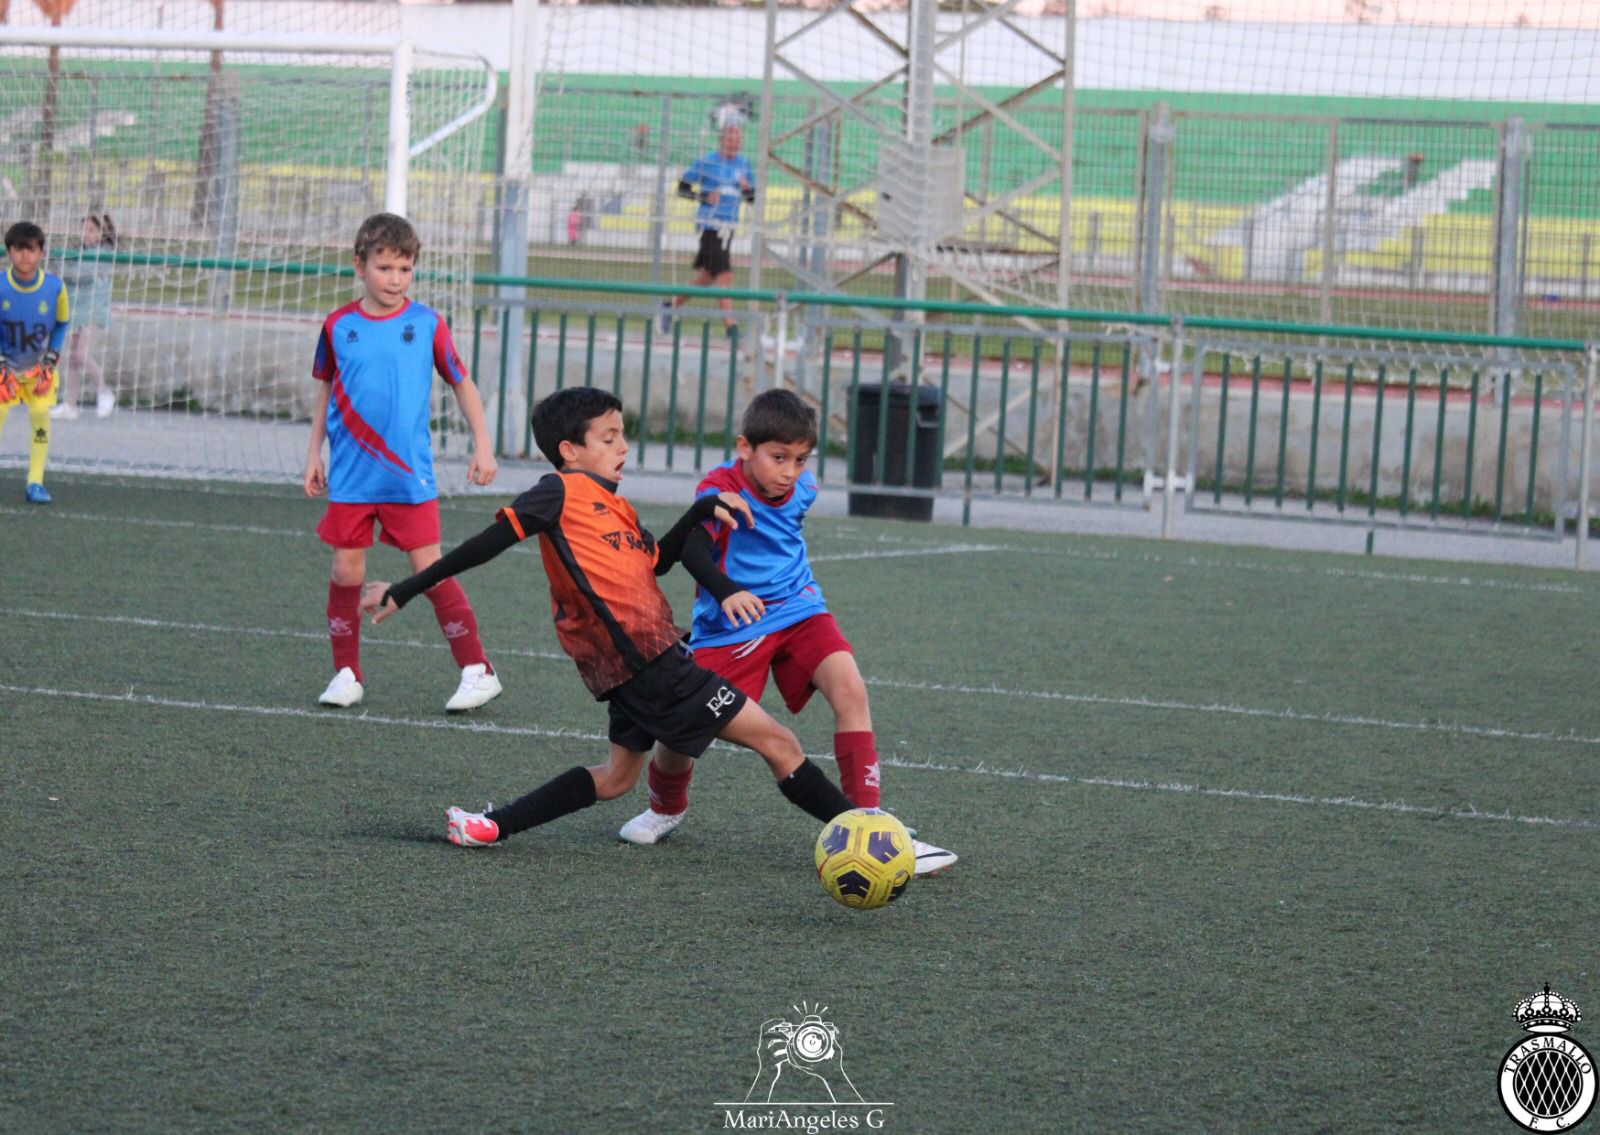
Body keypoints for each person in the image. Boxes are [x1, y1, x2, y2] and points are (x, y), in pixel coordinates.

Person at [360, 386, 858, 849]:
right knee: (780, 744)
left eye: (622, 435)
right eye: (609, 437)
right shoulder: (558, 492)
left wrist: (701, 510)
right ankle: (864, 833)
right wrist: (405, 589)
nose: (623, 446)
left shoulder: (617, 506)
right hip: (652, 666)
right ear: (569, 450)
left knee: (616, 778)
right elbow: (484, 546)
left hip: (636, 668)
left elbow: (658, 562)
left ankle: (490, 826)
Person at [616, 389, 958, 877]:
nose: (790, 472)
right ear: (744, 447)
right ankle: (665, 807)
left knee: (850, 689)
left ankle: (871, 823)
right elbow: (692, 550)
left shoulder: (804, 488)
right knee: (681, 730)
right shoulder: (721, 488)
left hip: (800, 609)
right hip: (733, 627)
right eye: (778, 458)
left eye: (800, 460)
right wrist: (727, 590)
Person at [303, 212, 503, 713]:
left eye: (405, 269)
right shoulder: (338, 326)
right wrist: (313, 453)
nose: (395, 279)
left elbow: (462, 383)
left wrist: (483, 444)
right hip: (351, 475)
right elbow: (325, 389)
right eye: (385, 268)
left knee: (429, 571)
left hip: (407, 475)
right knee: (345, 570)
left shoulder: (426, 324)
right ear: (359, 266)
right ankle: (346, 674)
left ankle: (477, 670)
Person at [657, 123, 755, 338]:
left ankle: (668, 306)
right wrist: (703, 196)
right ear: (721, 141)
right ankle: (731, 327)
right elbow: (682, 188)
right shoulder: (707, 162)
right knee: (725, 275)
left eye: (737, 141)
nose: (734, 144)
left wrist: (747, 189)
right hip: (709, 225)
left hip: (728, 227)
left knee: (708, 277)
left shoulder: (744, 164)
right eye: (730, 140)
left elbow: (751, 199)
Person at [0, 221, 70, 505]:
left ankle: (35, 482)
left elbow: (62, 324)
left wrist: (51, 359)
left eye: (31, 249)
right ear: (9, 252)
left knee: (40, 415)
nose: (24, 255)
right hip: (5, 369)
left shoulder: (55, 287)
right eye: (18, 249)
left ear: (41, 252)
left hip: (39, 370)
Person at [51, 213, 117, 420]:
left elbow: (79, 275)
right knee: (73, 359)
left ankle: (104, 392)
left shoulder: (103, 254)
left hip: (95, 312)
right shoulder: (77, 252)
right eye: (83, 229)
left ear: (101, 234)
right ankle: (70, 405)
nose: (85, 234)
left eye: (91, 230)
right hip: (77, 311)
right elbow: (62, 275)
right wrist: (56, 261)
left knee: (81, 354)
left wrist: (58, 261)